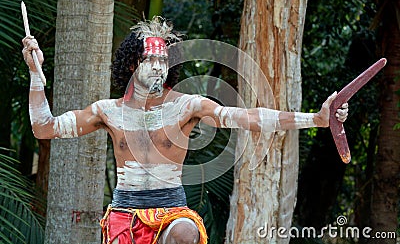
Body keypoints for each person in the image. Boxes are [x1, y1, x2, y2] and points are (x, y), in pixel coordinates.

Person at [22, 17, 349, 244]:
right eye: (151, 60)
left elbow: (247, 116)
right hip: (124, 216)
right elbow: (43, 128)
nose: (159, 67)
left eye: (164, 61)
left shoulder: (187, 106)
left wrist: (315, 119)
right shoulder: (107, 111)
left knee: (185, 235)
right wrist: (36, 75)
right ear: (133, 65)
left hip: (172, 212)